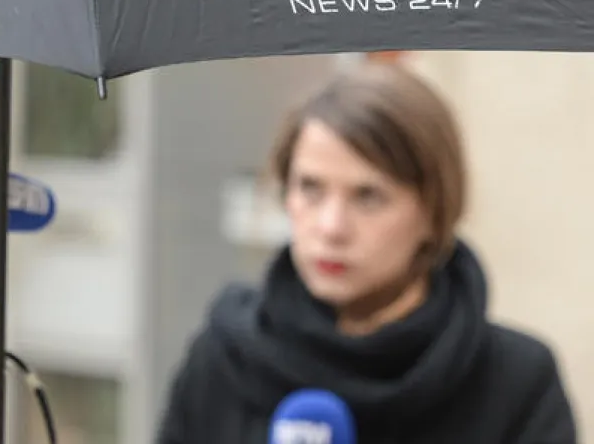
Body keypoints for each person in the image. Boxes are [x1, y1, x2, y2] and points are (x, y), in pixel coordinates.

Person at [155, 62, 578, 443]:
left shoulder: (516, 383)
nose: (331, 227)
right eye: (311, 188)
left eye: (369, 197)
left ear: (434, 211)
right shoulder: (225, 356)